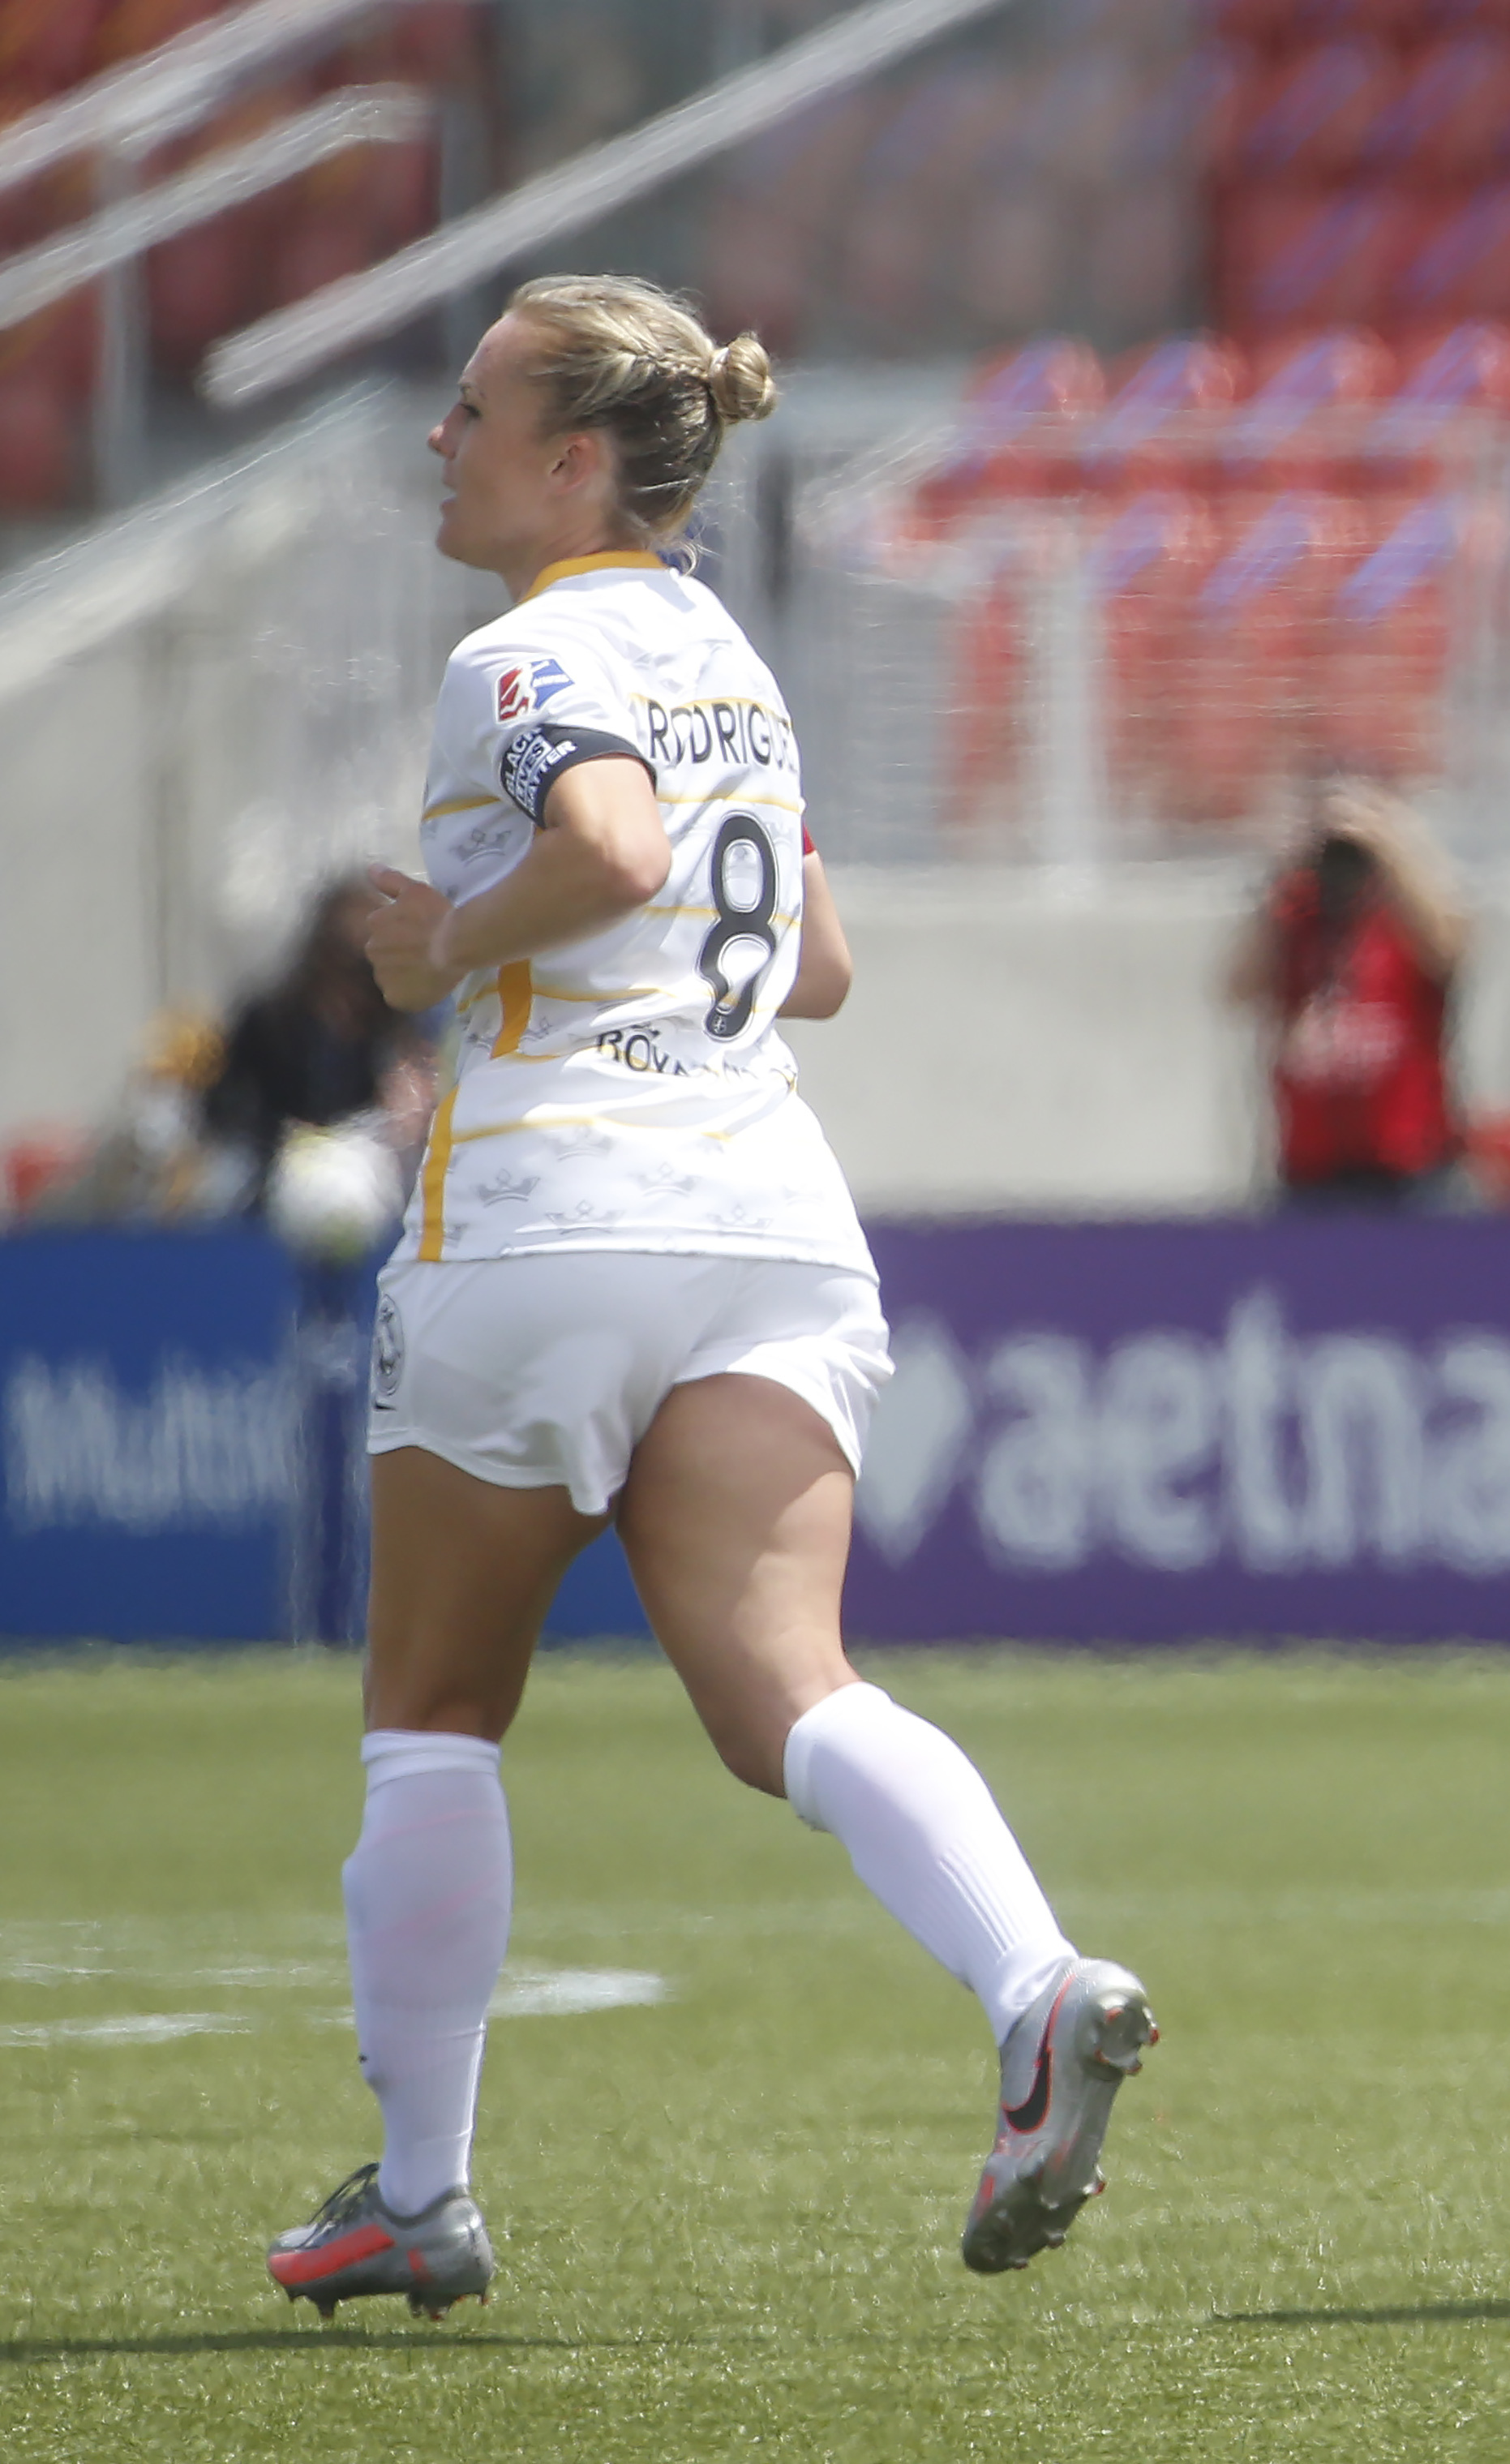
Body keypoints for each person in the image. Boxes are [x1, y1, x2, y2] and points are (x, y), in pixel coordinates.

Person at [262, 276, 1154, 2320]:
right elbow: (815, 957)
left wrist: (450, 947)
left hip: (554, 1214)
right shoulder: (737, 663)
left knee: (431, 1714)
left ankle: (420, 2190)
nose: (438, 435)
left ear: (572, 456)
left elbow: (618, 844)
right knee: (795, 1694)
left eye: (473, 404)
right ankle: (1035, 1985)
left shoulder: (520, 652)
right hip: (762, 1213)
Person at [1234, 779, 1469, 1207]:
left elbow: (1450, 947)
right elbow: (1237, 988)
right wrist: (1288, 865)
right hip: (1313, 1164)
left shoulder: (1404, 917)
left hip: (1407, 1165)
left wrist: (1388, 842)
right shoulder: (1297, 916)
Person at [204, 869, 435, 1220]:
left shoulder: (393, 1021)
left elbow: (410, 1096)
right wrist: (277, 1138)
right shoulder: (271, 1017)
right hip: (277, 1151)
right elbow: (224, 1101)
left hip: (370, 1155)